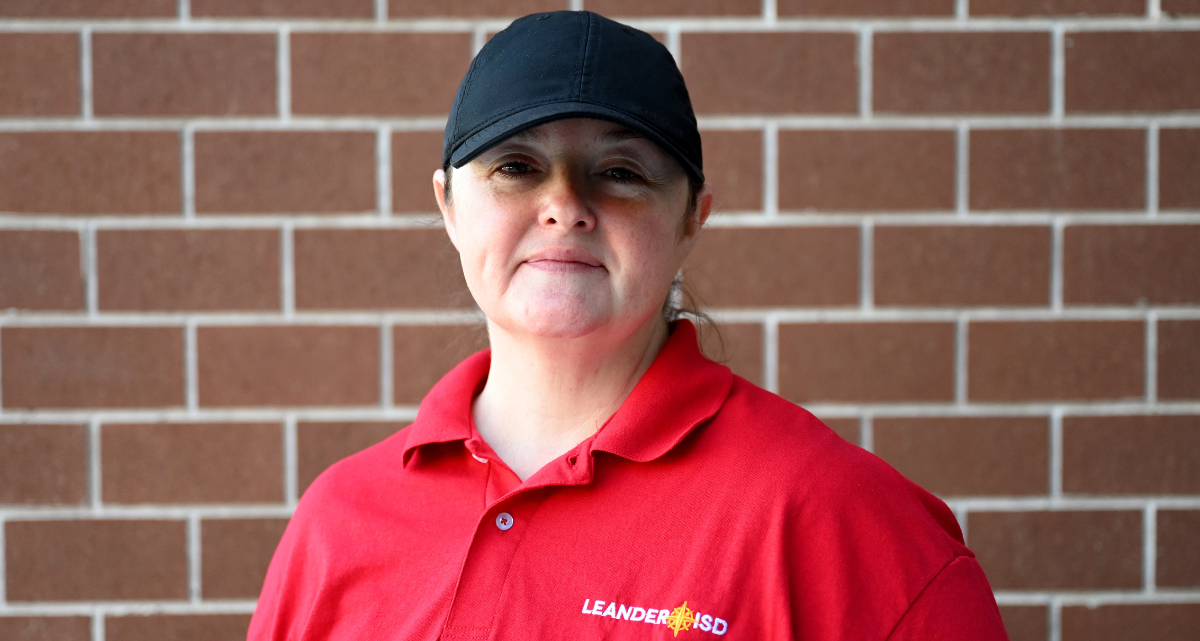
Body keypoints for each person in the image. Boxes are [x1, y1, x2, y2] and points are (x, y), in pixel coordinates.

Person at [249, 11, 1010, 640]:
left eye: (620, 172)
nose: (565, 205)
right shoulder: (338, 524)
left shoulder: (843, 523)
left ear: (691, 218)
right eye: (516, 166)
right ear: (448, 205)